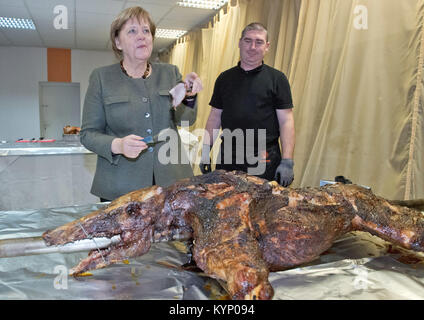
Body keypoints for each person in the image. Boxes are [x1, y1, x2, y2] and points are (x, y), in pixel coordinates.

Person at [80, 6, 203, 202]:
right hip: (121, 186)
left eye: (146, 31)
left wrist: (188, 95)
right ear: (118, 42)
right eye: (132, 31)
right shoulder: (101, 78)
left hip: (171, 181)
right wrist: (118, 145)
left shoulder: (170, 73)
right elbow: (87, 134)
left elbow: (187, 120)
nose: (142, 36)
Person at [200, 22, 295, 187]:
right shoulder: (224, 79)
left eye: (258, 42)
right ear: (239, 43)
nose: (252, 47)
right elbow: (215, 117)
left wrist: (287, 161)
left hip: (264, 157)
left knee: (263, 208)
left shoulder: (277, 79)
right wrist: (206, 150)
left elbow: (286, 121)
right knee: (225, 206)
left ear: (267, 46)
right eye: (247, 40)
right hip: (229, 156)